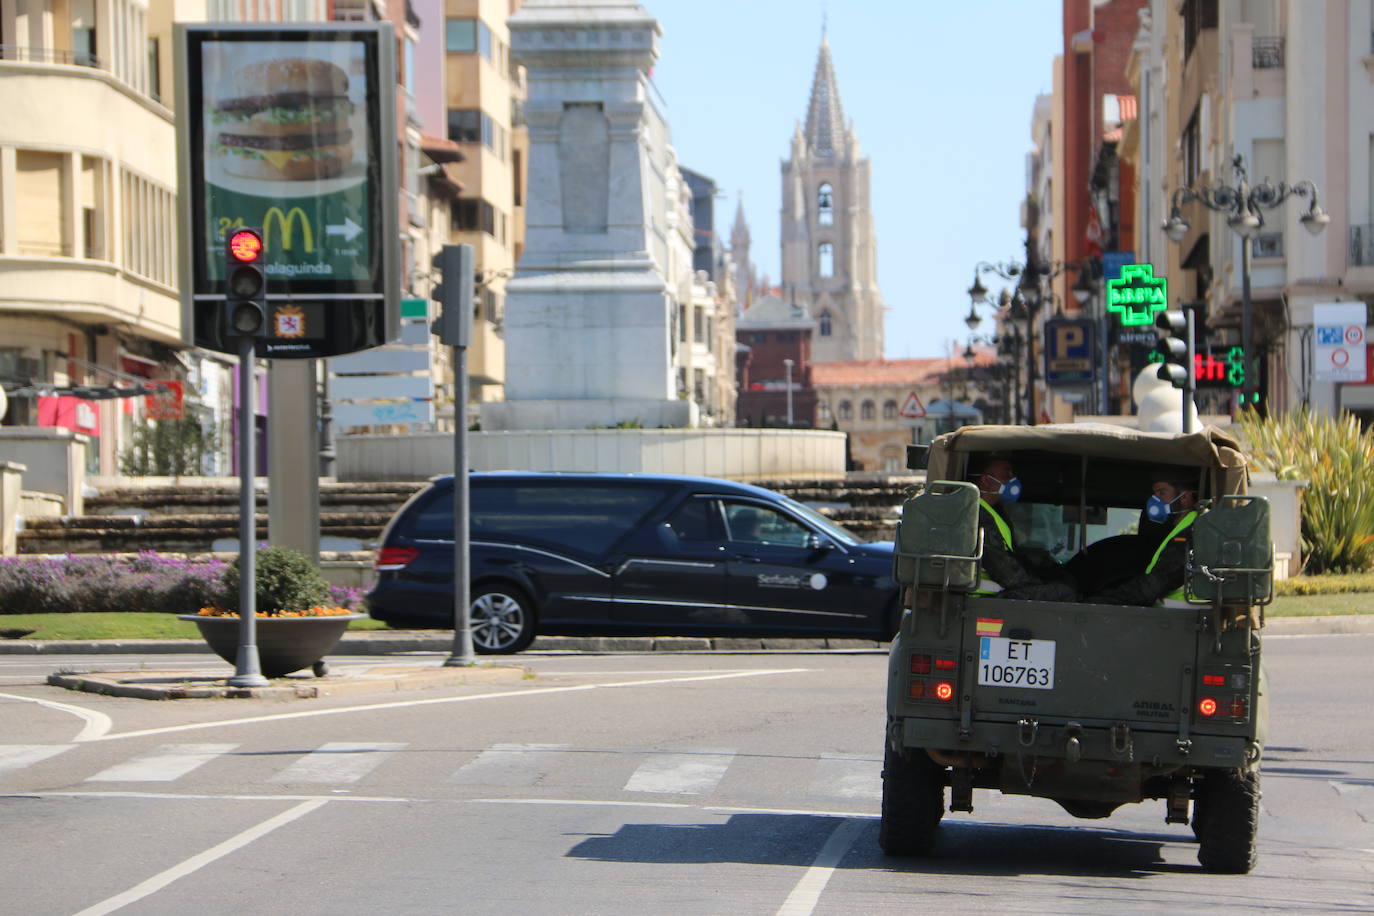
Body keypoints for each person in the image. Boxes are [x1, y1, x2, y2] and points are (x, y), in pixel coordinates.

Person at [972, 455, 1078, 601]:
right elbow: (999, 565)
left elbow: (1009, 555)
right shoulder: (976, 514)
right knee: (1065, 593)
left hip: (1000, 588)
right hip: (987, 595)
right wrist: (1032, 585)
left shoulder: (994, 511)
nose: (1012, 479)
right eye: (1006, 474)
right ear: (985, 480)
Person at [1086, 476, 1199, 607]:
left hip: (1181, 616)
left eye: (1162, 493)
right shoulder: (1183, 528)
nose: (1155, 500)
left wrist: (1099, 602)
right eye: (1154, 494)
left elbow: (1156, 583)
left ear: (1185, 497)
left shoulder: (1193, 530)